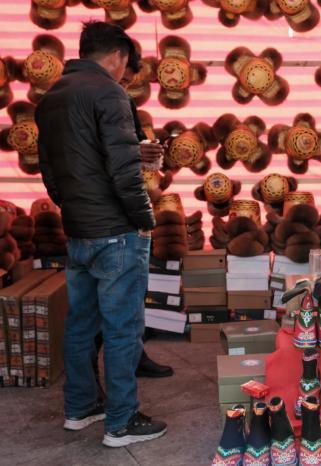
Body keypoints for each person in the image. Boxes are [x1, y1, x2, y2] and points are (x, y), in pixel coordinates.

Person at [36, 21, 166, 447]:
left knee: (80, 325)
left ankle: (81, 408)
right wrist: (143, 217)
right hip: (116, 231)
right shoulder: (109, 93)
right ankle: (121, 422)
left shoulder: (50, 98)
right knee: (122, 328)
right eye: (126, 65)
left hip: (79, 229)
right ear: (118, 56)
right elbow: (124, 170)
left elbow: (50, 171)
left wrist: (72, 209)